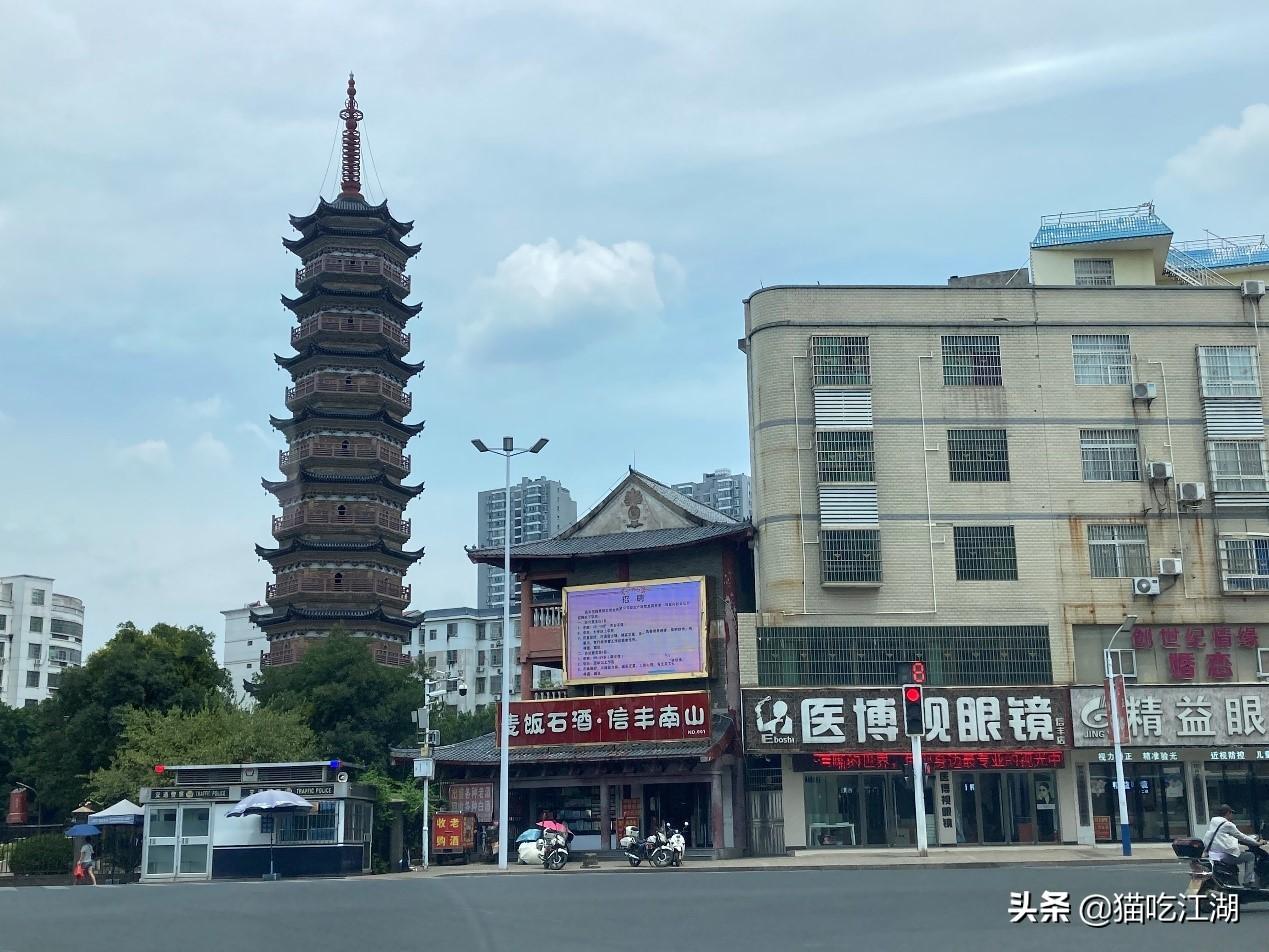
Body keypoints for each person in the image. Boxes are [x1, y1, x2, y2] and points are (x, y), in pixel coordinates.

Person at [1203, 805, 1260, 887]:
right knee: (1250, 856)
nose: (1232, 816)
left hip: (1213, 855)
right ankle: (1248, 882)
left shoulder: (1214, 823)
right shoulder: (1227, 825)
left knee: (1239, 854)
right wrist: (1256, 843)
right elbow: (1241, 836)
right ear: (1228, 813)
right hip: (1224, 856)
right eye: (1231, 813)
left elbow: (1223, 836)